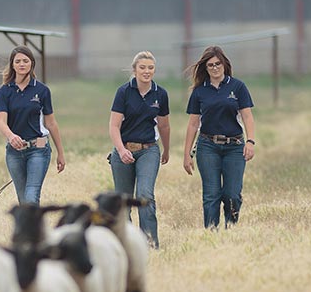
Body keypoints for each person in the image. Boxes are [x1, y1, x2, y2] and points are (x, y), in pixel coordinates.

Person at [182, 45, 256, 229]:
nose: (215, 68)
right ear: (205, 68)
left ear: (224, 64)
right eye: (210, 65)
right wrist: (186, 155)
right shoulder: (200, 91)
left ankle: (231, 229)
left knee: (232, 194)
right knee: (211, 194)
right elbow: (193, 124)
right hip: (208, 146)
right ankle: (211, 233)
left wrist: (250, 141)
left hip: (234, 146)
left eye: (218, 64)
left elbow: (247, 116)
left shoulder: (238, 87)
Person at [108, 50, 171, 247]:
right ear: (134, 70)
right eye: (142, 67)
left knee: (145, 196)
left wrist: (166, 150)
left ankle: (150, 243)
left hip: (148, 149)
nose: (146, 71)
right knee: (124, 202)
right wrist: (120, 150)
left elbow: (164, 126)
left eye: (150, 68)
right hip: (123, 149)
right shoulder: (123, 92)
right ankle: (126, 245)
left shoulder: (160, 94)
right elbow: (114, 126)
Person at [0, 46, 65, 204]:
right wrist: (11, 136)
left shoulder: (42, 90)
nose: (22, 64)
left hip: (38, 150)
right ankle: (32, 228)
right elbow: (1, 121)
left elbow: (51, 123)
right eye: (18, 61)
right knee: (23, 199)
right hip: (14, 151)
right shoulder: (5, 91)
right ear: (12, 64)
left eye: (25, 61)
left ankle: (33, 228)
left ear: (32, 64)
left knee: (31, 196)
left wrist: (61, 153)